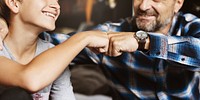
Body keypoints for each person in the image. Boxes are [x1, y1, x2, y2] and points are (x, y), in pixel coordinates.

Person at [46, 0, 200, 99]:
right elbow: (51, 45)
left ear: (178, 3)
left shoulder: (190, 25)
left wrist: (143, 41)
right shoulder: (111, 34)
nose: (143, 6)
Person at [0, 0, 109, 100]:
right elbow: (30, 80)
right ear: (14, 3)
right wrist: (83, 37)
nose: (56, 6)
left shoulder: (54, 55)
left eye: (57, 0)